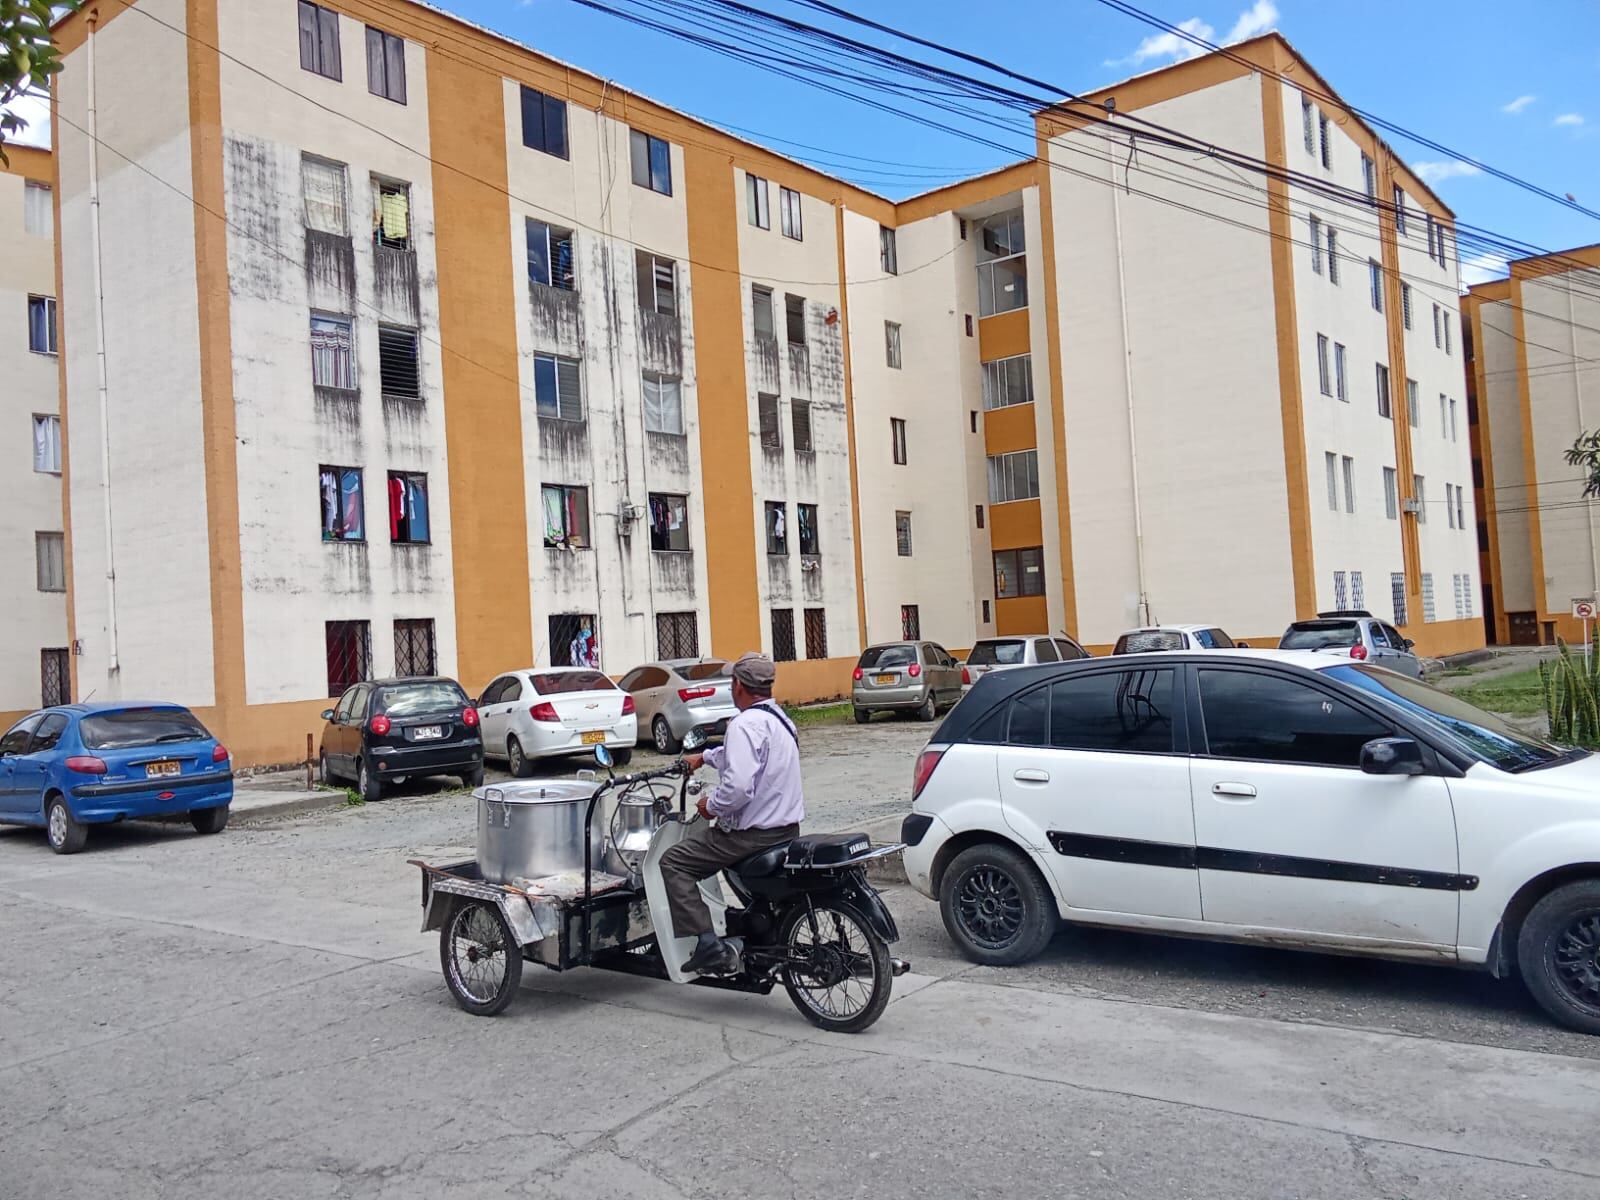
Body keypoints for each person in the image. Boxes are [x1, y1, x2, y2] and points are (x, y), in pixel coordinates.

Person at [661, 652, 803, 975]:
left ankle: (708, 944)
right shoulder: (780, 720)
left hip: (750, 837)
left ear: (737, 685)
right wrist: (706, 757)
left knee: (674, 862)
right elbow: (748, 757)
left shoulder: (743, 725)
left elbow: (739, 787)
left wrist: (709, 805)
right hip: (786, 831)